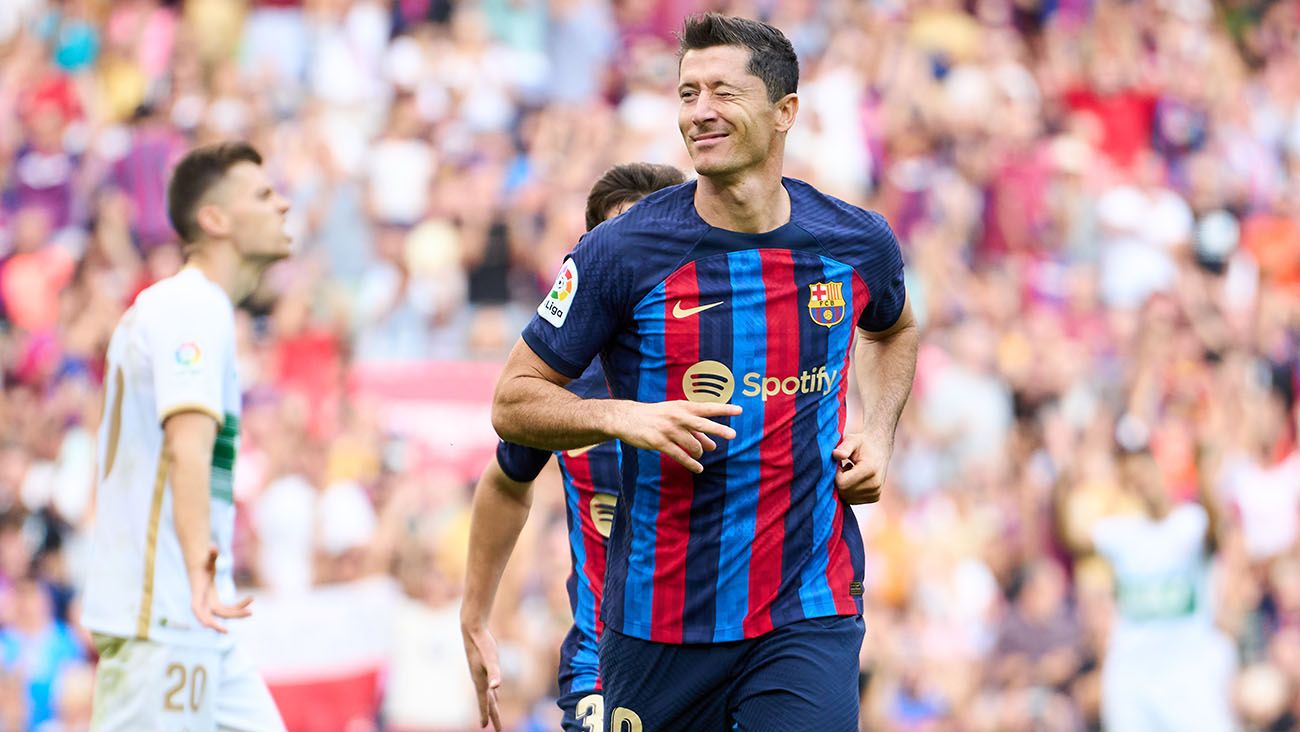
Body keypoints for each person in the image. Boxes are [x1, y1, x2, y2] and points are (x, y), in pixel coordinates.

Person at [491, 14, 918, 731]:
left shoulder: (855, 242)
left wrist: (877, 432)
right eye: (687, 93)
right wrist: (624, 416)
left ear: (785, 112)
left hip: (806, 604)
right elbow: (513, 401)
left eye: (723, 91)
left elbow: (894, 328)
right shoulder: (620, 252)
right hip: (659, 621)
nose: (700, 111)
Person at [461, 161, 688, 732]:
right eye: (617, 245)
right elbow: (506, 483)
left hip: (726, 644)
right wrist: (475, 615)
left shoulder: (730, 357)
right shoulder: (560, 382)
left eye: (653, 242)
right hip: (604, 656)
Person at [80, 141, 291, 732]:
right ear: (215, 219)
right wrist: (201, 567)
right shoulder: (189, 304)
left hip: (199, 616)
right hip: (164, 615)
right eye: (264, 194)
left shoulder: (206, 308)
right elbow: (188, 443)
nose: (284, 205)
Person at [1087, 444, 1236, 732]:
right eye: (1133, 476)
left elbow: (1219, 533)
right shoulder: (1120, 531)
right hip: (1132, 675)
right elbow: (1072, 534)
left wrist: (1203, 474)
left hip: (1188, 673)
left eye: (1146, 471)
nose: (1142, 481)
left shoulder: (1190, 521)